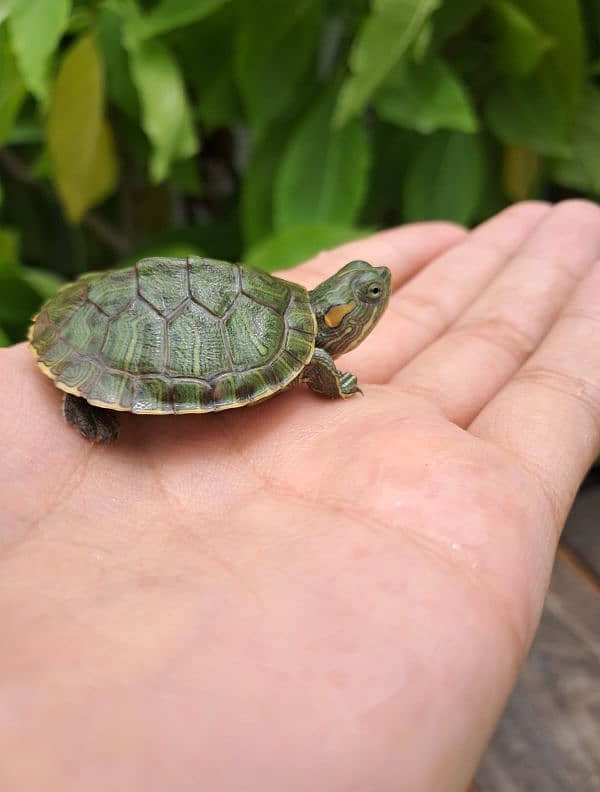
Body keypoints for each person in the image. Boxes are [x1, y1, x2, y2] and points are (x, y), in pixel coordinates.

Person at [1, 199, 598, 791]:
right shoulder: (307, 344)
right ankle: (88, 389)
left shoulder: (282, 310)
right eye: (365, 297)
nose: (377, 291)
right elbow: (313, 358)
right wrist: (333, 383)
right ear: (338, 317)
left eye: (367, 294)